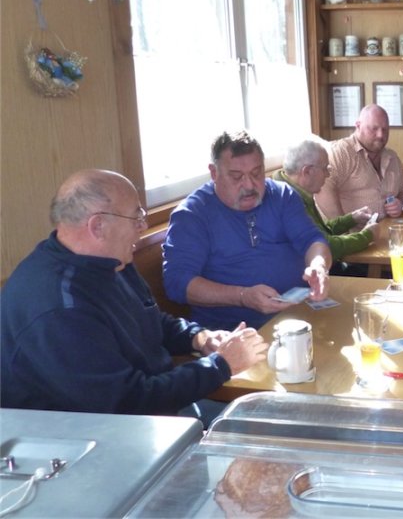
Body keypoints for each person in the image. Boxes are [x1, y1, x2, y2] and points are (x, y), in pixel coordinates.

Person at [0, 170, 267, 425]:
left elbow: (150, 319)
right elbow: (127, 404)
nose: (143, 225)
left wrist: (198, 337)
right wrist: (221, 365)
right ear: (98, 226)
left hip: (157, 410)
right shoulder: (59, 308)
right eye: (135, 216)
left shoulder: (111, 261)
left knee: (263, 418)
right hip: (97, 436)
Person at [164, 131, 331, 332]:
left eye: (256, 173)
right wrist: (242, 296)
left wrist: (319, 265)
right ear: (214, 173)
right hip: (233, 332)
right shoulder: (192, 215)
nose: (249, 185)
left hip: (300, 315)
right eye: (237, 176)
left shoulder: (282, 195)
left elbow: (313, 240)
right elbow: (178, 283)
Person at [274, 137, 379, 264]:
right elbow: (325, 245)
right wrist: (367, 236)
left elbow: (320, 231)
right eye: (325, 169)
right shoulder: (285, 201)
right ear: (307, 171)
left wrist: (352, 218)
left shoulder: (297, 191)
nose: (328, 175)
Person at [315, 104, 403, 220]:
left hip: (388, 228)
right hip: (354, 230)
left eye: (385, 129)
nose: (380, 135)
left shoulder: (393, 158)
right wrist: (342, 227)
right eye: (374, 128)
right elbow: (322, 188)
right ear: (358, 126)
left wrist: (400, 204)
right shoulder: (341, 152)